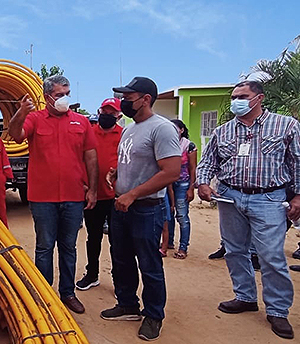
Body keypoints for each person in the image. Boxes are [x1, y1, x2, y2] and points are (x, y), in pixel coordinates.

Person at [196, 80, 300, 340]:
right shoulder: (224, 131)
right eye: (234, 96)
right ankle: (245, 297)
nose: (236, 101)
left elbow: (297, 162)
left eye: (242, 96)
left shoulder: (285, 125)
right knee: (235, 251)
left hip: (268, 199)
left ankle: (277, 310)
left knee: (271, 256)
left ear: (259, 98)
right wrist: (203, 183)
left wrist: (299, 195)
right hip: (230, 197)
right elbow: (208, 161)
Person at [8, 75, 98, 314]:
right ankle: (43, 294)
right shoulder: (35, 119)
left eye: (67, 93)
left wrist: (93, 190)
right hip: (42, 198)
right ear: (47, 97)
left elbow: (90, 156)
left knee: (68, 247)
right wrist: (20, 112)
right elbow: (16, 134)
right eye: (59, 95)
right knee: (45, 246)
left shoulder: (81, 122)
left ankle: (67, 293)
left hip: (73, 196)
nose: (64, 99)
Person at [100, 76, 181, 341]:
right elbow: (134, 163)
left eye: (129, 97)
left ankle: (154, 315)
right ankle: (127, 305)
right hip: (122, 205)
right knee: (121, 258)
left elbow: (171, 172)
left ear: (146, 99)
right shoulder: (130, 128)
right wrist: (117, 174)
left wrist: (133, 193)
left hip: (146, 208)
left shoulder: (162, 129)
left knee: (149, 263)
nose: (124, 102)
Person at [76, 97, 123, 291]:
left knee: (117, 240)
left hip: (115, 197)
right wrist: (84, 186)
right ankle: (92, 274)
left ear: (118, 116)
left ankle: (119, 280)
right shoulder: (89, 133)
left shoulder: (123, 135)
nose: (107, 116)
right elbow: (79, 160)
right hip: (92, 196)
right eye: (104, 112)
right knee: (93, 237)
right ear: (99, 111)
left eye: (111, 113)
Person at [168, 119, 196, 259]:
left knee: (182, 216)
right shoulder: (166, 144)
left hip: (182, 185)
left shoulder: (189, 146)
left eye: (175, 128)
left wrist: (191, 188)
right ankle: (169, 242)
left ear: (182, 130)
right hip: (167, 184)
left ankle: (183, 247)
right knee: (168, 214)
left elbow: (193, 168)